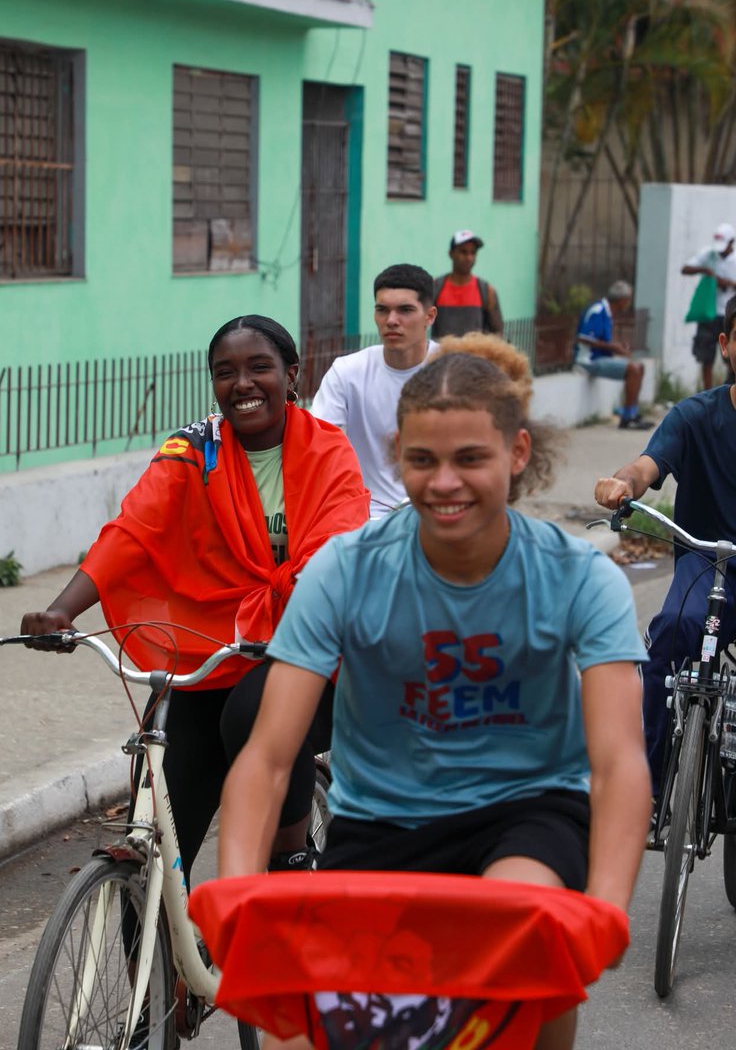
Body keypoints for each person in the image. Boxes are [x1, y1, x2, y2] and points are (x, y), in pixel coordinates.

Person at [219, 340, 651, 1050]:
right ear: (397, 456)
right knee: (299, 1036)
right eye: (422, 460)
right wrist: (237, 892)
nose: (445, 482)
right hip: (381, 821)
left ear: (516, 453)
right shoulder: (345, 570)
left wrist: (605, 908)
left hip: (527, 813)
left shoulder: (578, 577)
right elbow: (268, 756)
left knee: (522, 933)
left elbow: (618, 761)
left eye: (470, 459)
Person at [20, 315, 370, 881]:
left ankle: (290, 856)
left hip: (313, 646)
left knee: (256, 710)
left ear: (292, 375)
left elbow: (338, 547)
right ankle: (150, 918)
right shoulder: (195, 450)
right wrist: (63, 610)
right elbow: (134, 530)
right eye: (225, 372)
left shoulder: (328, 450)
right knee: (162, 791)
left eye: (259, 367)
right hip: (217, 649)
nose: (243, 383)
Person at [594, 292, 736, 801]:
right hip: (705, 565)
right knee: (671, 634)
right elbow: (647, 464)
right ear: (726, 345)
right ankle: (647, 790)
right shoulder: (694, 416)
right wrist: (623, 484)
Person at [311, 263, 438, 517]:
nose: (391, 320)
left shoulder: (453, 369)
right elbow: (318, 449)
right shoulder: (346, 372)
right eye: (382, 310)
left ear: (430, 316)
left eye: (405, 310)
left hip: (437, 512)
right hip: (367, 517)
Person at [574, 280, 653, 430]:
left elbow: (602, 339)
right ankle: (627, 418)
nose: (628, 303)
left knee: (639, 367)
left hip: (601, 357)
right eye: (628, 299)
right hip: (589, 360)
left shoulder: (607, 312)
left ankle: (632, 412)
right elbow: (583, 337)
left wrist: (618, 346)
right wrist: (613, 347)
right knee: (633, 369)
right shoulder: (598, 310)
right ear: (621, 299)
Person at [682, 221, 736, 390]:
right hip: (709, 314)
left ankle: (729, 390)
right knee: (706, 357)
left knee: (730, 358)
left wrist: (728, 283)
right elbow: (685, 269)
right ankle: (708, 393)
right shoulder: (709, 255)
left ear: (731, 242)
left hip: (730, 315)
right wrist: (705, 271)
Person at [431, 229, 504, 339]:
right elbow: (421, 323)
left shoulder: (487, 291)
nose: (469, 258)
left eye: (473, 253)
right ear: (451, 254)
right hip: (443, 350)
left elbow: (498, 332)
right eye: (463, 252)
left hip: (476, 350)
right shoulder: (435, 287)